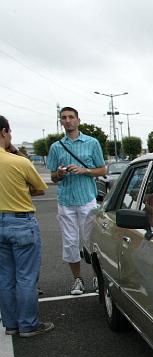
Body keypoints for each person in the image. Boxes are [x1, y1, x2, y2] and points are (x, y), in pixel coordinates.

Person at [0, 115, 54, 337]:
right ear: (4, 132)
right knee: (26, 277)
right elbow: (41, 188)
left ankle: (11, 324)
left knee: (5, 277)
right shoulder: (18, 161)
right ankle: (28, 324)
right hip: (20, 221)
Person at [47, 107, 107, 295]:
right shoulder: (56, 147)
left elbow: (103, 170)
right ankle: (77, 280)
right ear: (61, 122)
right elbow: (53, 177)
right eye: (64, 118)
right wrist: (60, 173)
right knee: (70, 242)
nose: (68, 121)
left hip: (87, 200)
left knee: (91, 241)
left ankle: (98, 275)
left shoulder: (92, 143)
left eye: (71, 117)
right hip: (66, 200)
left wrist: (85, 171)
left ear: (78, 120)